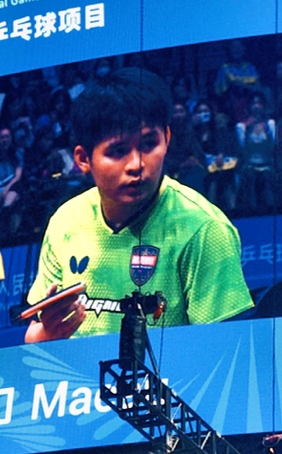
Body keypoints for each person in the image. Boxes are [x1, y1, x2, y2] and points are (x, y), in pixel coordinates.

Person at [23, 67, 253, 344]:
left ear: (167, 139)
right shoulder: (66, 221)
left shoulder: (204, 229)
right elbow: (33, 335)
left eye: (148, 144)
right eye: (118, 151)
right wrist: (49, 332)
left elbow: (226, 351)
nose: (136, 164)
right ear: (83, 159)